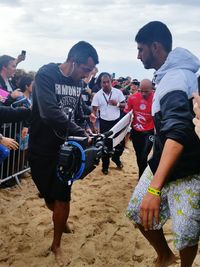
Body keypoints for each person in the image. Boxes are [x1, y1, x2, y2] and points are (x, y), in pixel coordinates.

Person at [126, 21, 200, 267]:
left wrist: (155, 189)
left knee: (185, 233)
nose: (138, 55)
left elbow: (178, 133)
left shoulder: (175, 78)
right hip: (161, 160)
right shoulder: (168, 75)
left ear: (156, 47)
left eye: (141, 49)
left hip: (188, 168)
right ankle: (165, 256)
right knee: (137, 211)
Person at [28, 41, 99, 266]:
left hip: (65, 148)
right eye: (86, 70)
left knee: (62, 195)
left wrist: (86, 126)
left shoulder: (78, 83)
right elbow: (49, 112)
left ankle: (56, 244)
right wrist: (79, 130)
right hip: (40, 147)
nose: (87, 76)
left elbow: (76, 110)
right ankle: (60, 216)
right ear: (73, 61)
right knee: (48, 196)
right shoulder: (46, 74)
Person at [91, 72, 126, 174]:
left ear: (111, 82)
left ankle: (116, 158)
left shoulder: (118, 92)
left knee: (120, 145)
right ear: (101, 83)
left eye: (108, 82)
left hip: (116, 122)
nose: (106, 84)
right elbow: (94, 111)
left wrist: (117, 104)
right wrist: (94, 125)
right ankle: (105, 167)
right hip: (104, 123)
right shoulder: (97, 95)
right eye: (103, 82)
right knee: (105, 146)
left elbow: (125, 105)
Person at [124, 79, 154, 179]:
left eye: (146, 91)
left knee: (144, 155)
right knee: (138, 155)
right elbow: (126, 114)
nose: (143, 93)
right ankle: (142, 176)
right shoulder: (132, 98)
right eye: (141, 91)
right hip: (136, 131)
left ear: (151, 89)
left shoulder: (156, 99)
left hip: (149, 131)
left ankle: (142, 178)